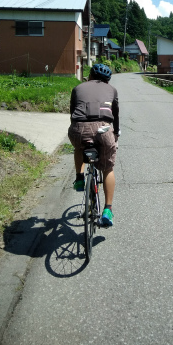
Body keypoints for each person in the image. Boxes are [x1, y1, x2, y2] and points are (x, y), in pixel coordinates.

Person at [68, 63, 119, 227]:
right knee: (108, 168)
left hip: (79, 128)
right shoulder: (112, 90)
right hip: (104, 129)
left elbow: (72, 112)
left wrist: (78, 129)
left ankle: (79, 178)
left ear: (89, 76)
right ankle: (107, 210)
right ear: (107, 80)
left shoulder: (78, 88)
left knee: (79, 148)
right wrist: (116, 133)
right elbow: (115, 115)